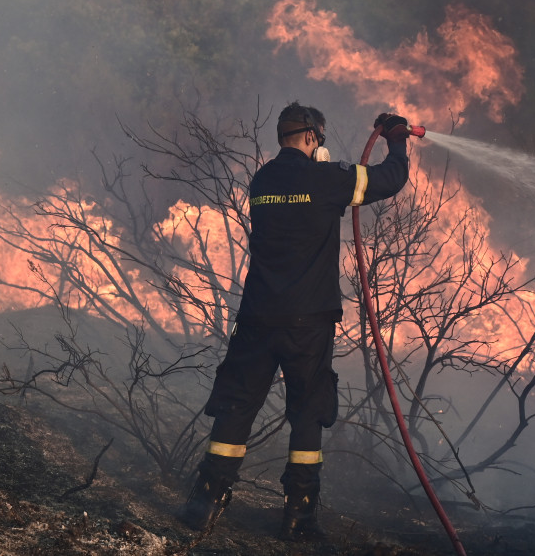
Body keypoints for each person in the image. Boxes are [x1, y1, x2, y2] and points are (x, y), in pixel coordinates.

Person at [177, 103, 414, 541]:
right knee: (307, 411)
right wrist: (395, 138)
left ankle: (205, 503)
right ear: (310, 136)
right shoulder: (328, 179)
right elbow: (390, 179)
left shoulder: (262, 180)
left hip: (257, 317)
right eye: (319, 140)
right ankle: (298, 517)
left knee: (236, 406)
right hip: (308, 322)